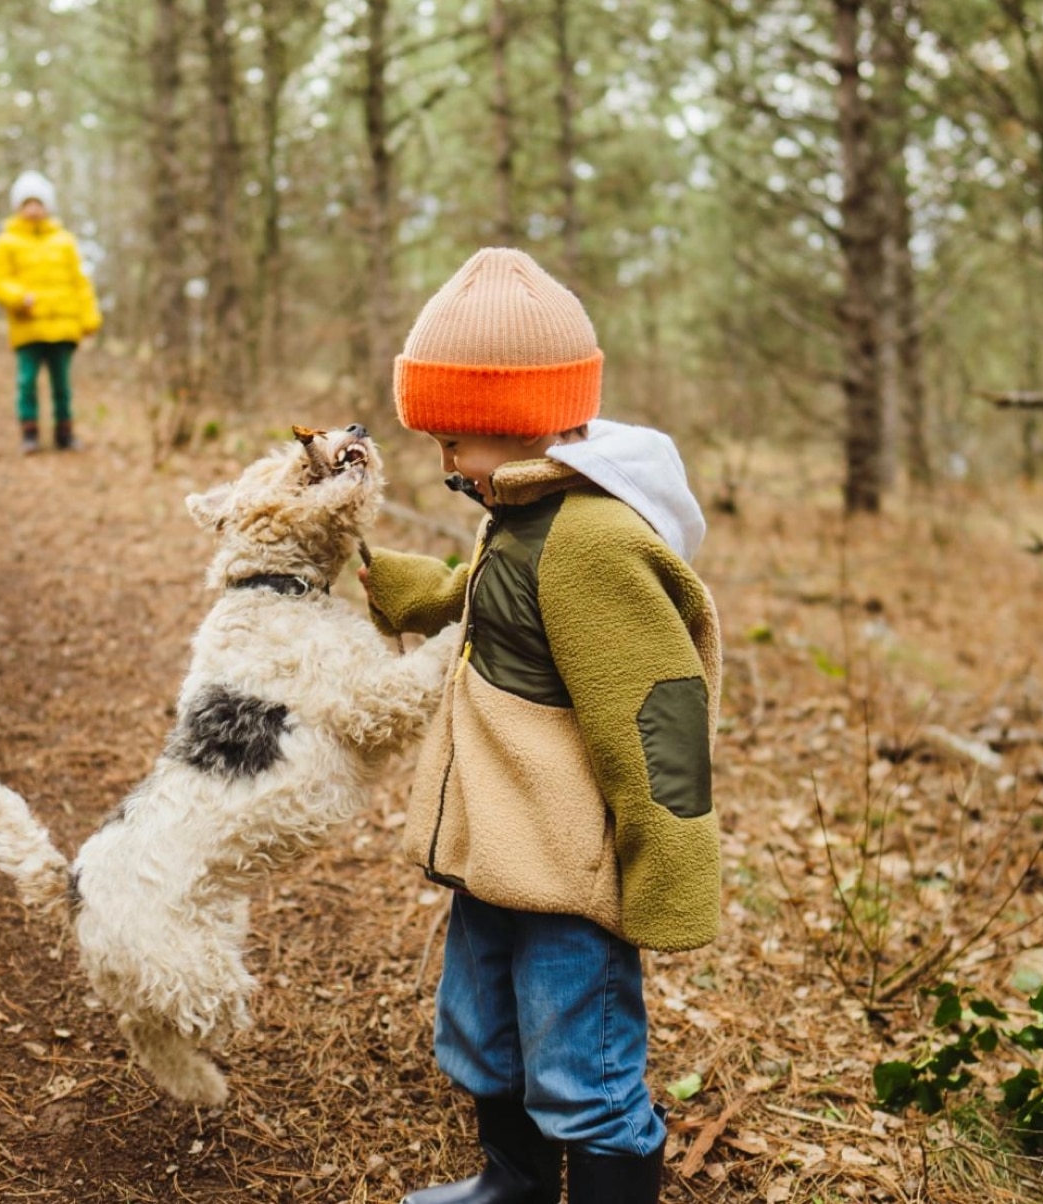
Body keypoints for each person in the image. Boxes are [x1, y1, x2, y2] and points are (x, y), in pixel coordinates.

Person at [360, 248, 722, 1204]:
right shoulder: (517, 508)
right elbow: (488, 598)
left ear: (517, 423)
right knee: (484, 1033)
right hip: (499, 848)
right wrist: (412, 592)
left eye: (454, 441)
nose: (442, 462)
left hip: (568, 869)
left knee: (582, 1071)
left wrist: (671, 865)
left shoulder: (593, 541)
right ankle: (510, 1187)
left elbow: (658, 714)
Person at [0, 170, 102, 452]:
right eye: (28, 203)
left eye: (38, 202)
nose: (34, 208)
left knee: (62, 384)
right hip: (28, 326)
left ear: (47, 206)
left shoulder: (65, 241)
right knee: (26, 382)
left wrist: (89, 318)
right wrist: (17, 297)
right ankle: (29, 433)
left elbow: (80, 283)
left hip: (63, 327)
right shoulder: (6, 242)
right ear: (19, 207)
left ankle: (65, 433)